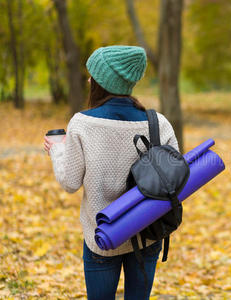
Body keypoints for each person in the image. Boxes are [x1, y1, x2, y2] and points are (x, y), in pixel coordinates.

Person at [43, 45, 179, 299]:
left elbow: (69, 182)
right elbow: (174, 177)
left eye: (91, 74)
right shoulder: (158, 122)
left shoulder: (83, 123)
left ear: (101, 82)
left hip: (103, 236)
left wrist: (56, 150)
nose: (87, 79)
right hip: (148, 232)